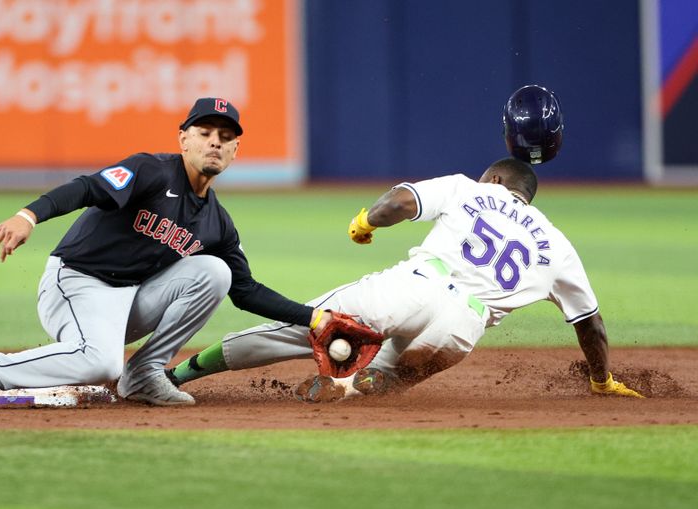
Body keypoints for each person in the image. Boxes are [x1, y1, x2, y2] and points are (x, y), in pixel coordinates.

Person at [0, 97, 333, 408]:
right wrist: (28, 216)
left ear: (235, 149)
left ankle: (145, 374)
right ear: (184, 139)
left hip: (129, 300)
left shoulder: (218, 223)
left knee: (217, 271)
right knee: (100, 363)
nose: (215, 141)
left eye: (225, 136)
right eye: (205, 132)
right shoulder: (151, 171)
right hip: (77, 283)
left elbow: (246, 291)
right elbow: (87, 188)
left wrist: (315, 319)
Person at [168, 158, 643, 400]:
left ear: (496, 181)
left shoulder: (469, 188)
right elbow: (591, 325)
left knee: (298, 329)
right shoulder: (558, 247)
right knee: (391, 377)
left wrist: (364, 223)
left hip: (413, 285)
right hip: (461, 328)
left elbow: (396, 204)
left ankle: (179, 374)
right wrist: (601, 380)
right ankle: (355, 386)